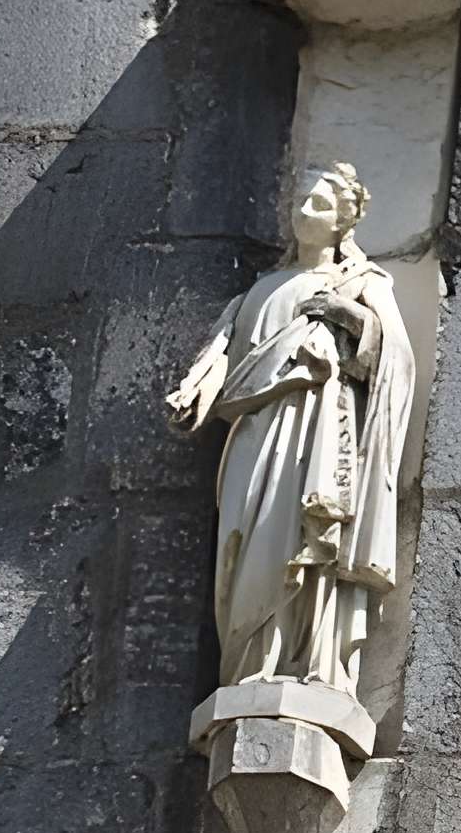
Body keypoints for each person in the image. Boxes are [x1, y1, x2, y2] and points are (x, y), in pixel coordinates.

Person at [167, 163, 414, 695]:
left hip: (320, 428)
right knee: (243, 541)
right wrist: (195, 393)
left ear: (344, 221)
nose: (304, 212)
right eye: (299, 201)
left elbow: (396, 357)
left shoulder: (362, 284)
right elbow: (223, 355)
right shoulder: (261, 289)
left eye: (319, 204)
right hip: (255, 431)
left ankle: (306, 664)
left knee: (305, 533)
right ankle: (245, 668)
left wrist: (349, 315)